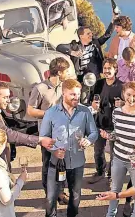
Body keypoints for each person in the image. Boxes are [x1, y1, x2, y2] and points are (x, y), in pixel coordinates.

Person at [40, 79, 98, 217]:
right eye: (72, 94)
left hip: (77, 162)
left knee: (76, 195)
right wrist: (53, 150)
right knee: (51, 197)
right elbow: (43, 138)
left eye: (78, 94)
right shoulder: (51, 113)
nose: (76, 97)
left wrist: (88, 140)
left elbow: (94, 132)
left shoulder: (85, 112)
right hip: (56, 163)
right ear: (64, 93)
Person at [0, 82, 55, 167]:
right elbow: (8, 134)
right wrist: (39, 140)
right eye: (5, 97)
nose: (8, 100)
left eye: (8, 97)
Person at [99, 82, 135, 217]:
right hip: (118, 158)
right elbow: (117, 134)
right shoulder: (116, 113)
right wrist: (109, 136)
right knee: (115, 189)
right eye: (129, 94)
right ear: (123, 94)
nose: (131, 98)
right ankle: (110, 215)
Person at [27, 57, 71, 203]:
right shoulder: (40, 88)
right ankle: (49, 194)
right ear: (59, 72)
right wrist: (49, 113)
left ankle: (61, 191)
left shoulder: (65, 86)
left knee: (63, 164)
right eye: (66, 71)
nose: (68, 73)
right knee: (48, 165)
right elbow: (30, 110)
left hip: (63, 134)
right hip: (47, 135)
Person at [87, 58, 123, 184]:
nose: (107, 71)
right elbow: (91, 100)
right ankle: (100, 172)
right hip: (99, 123)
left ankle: (111, 176)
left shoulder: (121, 86)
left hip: (115, 125)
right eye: (105, 68)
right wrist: (93, 105)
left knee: (114, 154)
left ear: (115, 70)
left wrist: (122, 104)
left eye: (110, 68)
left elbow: (127, 105)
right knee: (98, 150)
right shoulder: (99, 84)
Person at [56, 15, 115, 82]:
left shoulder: (95, 43)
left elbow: (107, 35)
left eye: (91, 33)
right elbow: (59, 47)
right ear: (81, 36)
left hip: (96, 78)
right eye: (88, 34)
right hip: (81, 79)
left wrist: (113, 21)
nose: (91, 35)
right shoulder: (74, 46)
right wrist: (72, 52)